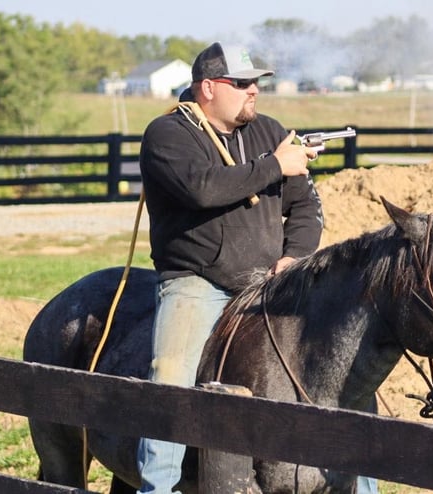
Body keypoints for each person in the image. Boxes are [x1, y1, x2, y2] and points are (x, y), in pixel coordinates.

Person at [136, 42, 378, 493]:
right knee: (170, 374)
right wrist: (274, 166)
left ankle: (362, 487)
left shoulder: (269, 132)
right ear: (208, 88)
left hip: (273, 281)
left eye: (256, 84)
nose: (254, 92)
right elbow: (202, 189)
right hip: (197, 282)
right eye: (242, 83)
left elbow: (306, 207)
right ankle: (158, 487)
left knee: (346, 364)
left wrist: (294, 257)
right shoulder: (167, 134)